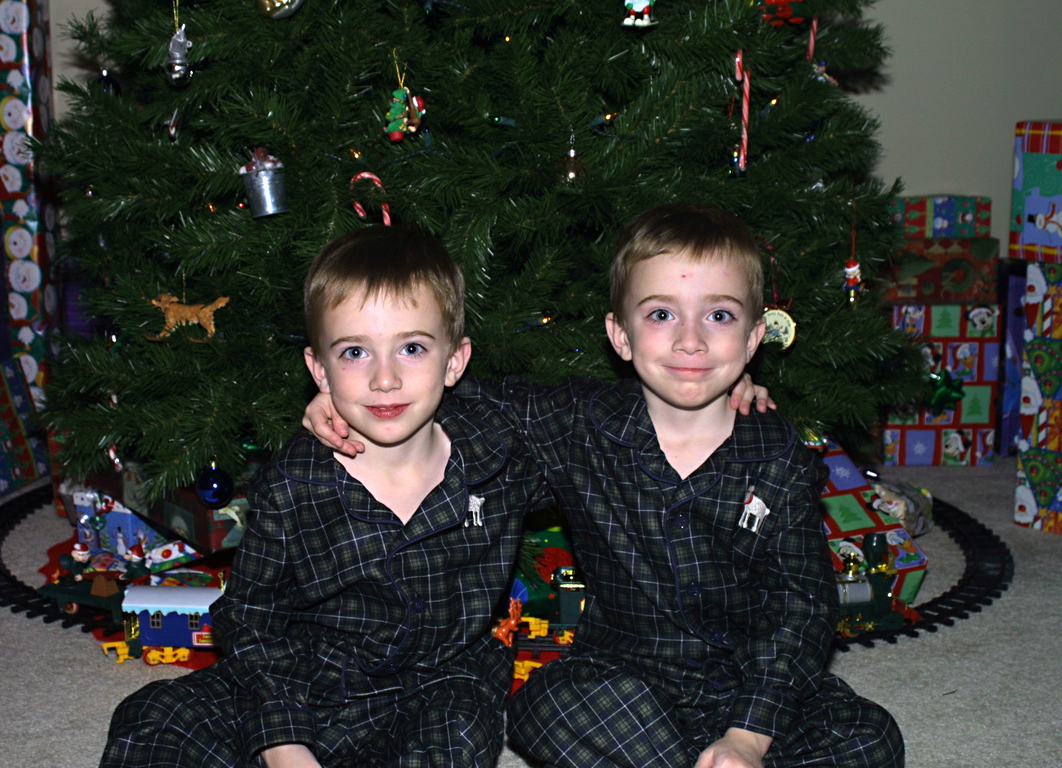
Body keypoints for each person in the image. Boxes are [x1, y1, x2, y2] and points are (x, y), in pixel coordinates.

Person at [307, 203, 904, 768]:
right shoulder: (579, 423)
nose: (691, 341)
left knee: (870, 736)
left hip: (747, 684)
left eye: (718, 316)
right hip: (624, 683)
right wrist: (345, 397)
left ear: (752, 340)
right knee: (545, 708)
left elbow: (803, 606)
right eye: (661, 314)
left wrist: (748, 735)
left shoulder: (776, 455)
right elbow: (450, 397)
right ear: (620, 335)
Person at [100, 225, 550, 768]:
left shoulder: (499, 453)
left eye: (411, 348)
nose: (385, 379)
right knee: (154, 718)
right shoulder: (295, 481)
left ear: (454, 361)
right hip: (312, 673)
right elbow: (250, 615)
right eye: (355, 352)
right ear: (319, 370)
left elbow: (594, 417)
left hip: (439, 682)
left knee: (455, 737)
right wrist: (282, 742)